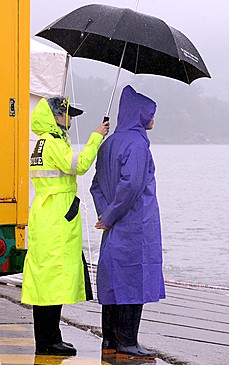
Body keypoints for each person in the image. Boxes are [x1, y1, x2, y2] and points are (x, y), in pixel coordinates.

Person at [21, 96, 110, 356]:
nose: (70, 120)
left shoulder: (41, 143)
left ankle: (49, 339)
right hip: (57, 216)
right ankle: (49, 342)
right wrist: (96, 137)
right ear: (56, 116)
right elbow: (79, 165)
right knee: (53, 280)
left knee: (46, 279)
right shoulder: (53, 143)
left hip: (46, 213)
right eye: (68, 114)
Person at [90, 85, 165, 359]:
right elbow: (131, 185)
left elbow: (96, 184)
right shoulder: (137, 144)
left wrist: (104, 216)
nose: (153, 118)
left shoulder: (109, 143)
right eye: (151, 113)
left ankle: (109, 339)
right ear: (141, 115)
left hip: (114, 227)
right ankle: (128, 342)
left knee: (113, 283)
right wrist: (110, 215)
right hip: (135, 225)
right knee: (135, 280)